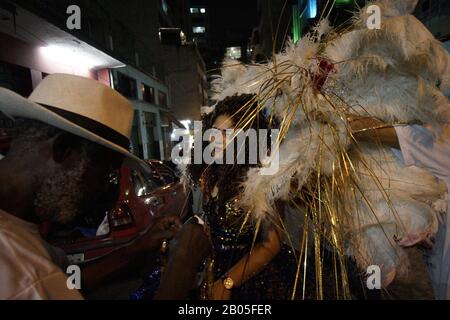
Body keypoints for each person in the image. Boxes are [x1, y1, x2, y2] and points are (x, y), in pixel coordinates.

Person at [0, 74, 181, 300]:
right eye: (105, 171)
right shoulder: (28, 278)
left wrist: (138, 247)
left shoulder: (25, 243)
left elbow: (71, 281)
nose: (104, 187)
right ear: (64, 150)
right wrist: (182, 265)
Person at [349, 116, 450, 299]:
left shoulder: (439, 140)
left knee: (374, 282)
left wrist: (332, 117)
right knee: (372, 282)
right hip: (367, 242)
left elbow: (362, 129)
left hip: (416, 273)